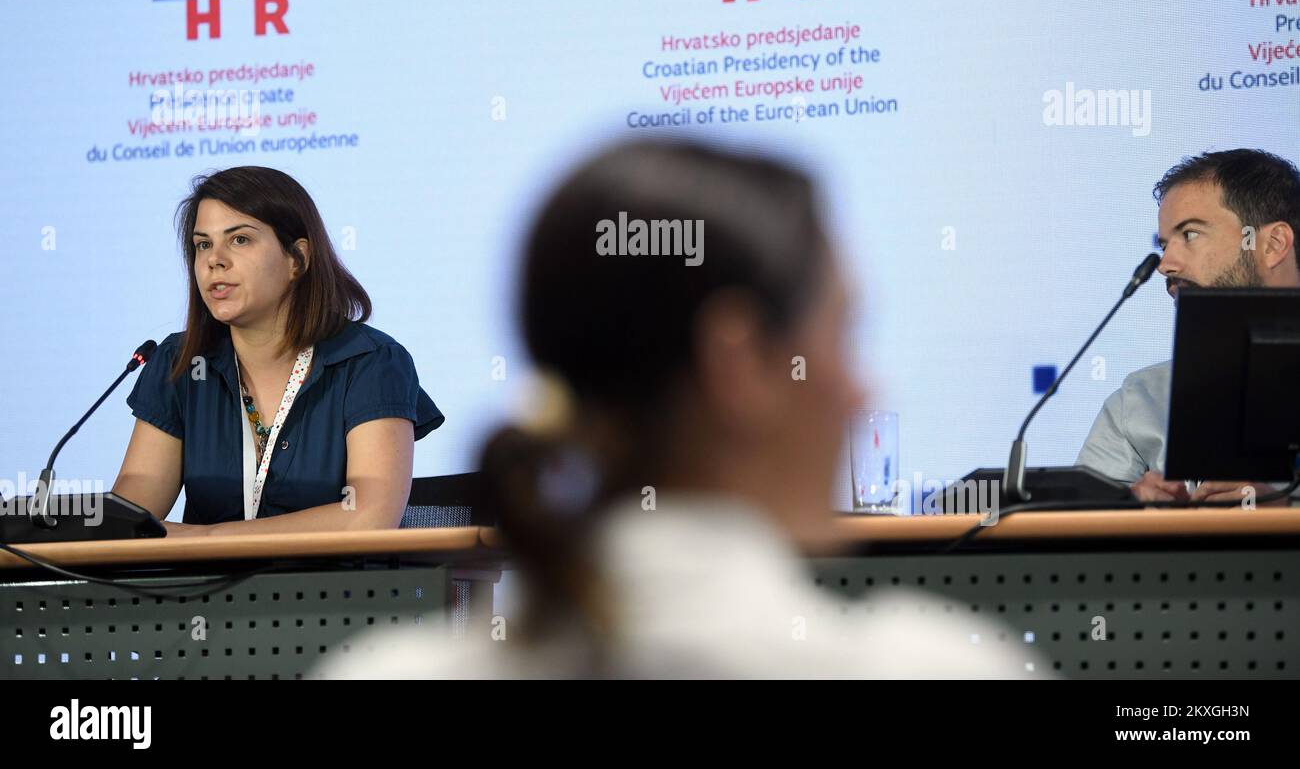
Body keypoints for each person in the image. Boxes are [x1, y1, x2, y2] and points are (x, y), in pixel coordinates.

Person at [315, 138, 1038, 678]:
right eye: (842, 334)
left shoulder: (381, 671)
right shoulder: (930, 668)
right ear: (740, 360)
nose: (862, 389)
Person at [113, 166, 444, 535]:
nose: (213, 260)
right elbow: (130, 523)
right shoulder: (180, 363)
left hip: (337, 590)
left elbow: (368, 516)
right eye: (203, 243)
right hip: (202, 591)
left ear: (297, 259)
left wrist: (209, 537)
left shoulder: (369, 362)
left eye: (239, 240)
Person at [1077, 149, 1300, 505]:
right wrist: (1127, 511)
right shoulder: (1140, 400)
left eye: (1190, 234)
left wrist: (1286, 511)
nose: (1166, 264)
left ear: (1272, 245)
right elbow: (1073, 540)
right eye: (1164, 245)